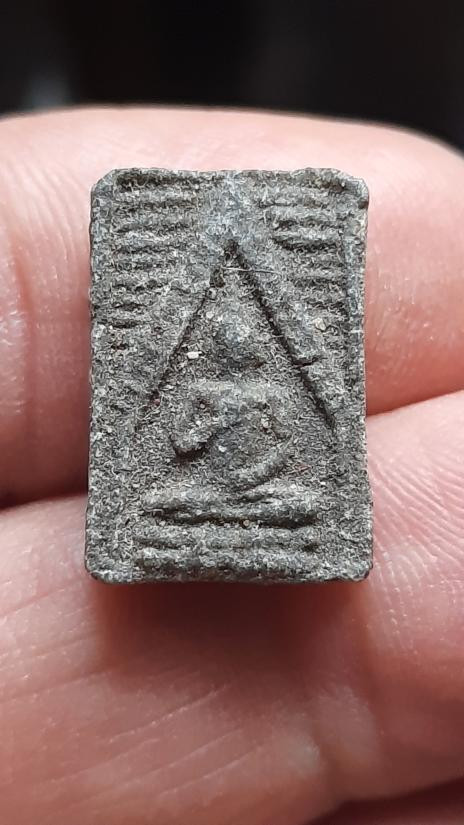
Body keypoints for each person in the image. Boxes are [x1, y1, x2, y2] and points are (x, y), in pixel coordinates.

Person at [0, 107, 463, 825]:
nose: (237, 349)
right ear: (216, 344)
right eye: (227, 341)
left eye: (244, 341)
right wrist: (202, 437)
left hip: (260, 489)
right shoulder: (206, 391)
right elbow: (183, 445)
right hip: (202, 487)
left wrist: (254, 474)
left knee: (294, 502)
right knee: (171, 499)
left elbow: (283, 448)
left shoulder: (270, 392)